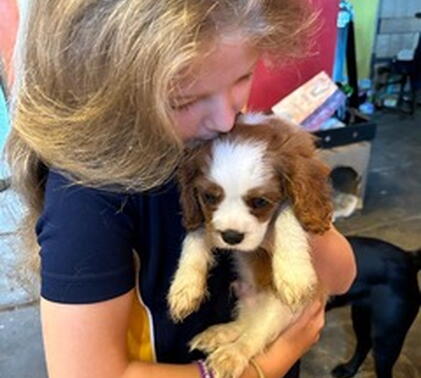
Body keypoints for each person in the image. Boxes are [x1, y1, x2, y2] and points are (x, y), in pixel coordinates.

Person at [6, 1, 356, 377]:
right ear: (107, 95)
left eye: (243, 77)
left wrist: (287, 205)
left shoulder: (237, 138)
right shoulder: (86, 199)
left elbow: (340, 276)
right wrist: (265, 365)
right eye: (184, 100)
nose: (225, 119)